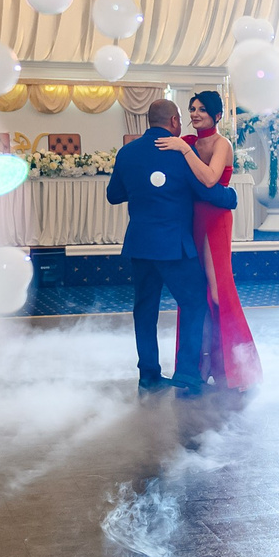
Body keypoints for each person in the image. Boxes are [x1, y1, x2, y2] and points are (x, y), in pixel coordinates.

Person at [106, 98, 238, 394]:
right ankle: (188, 374)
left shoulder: (127, 153)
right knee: (193, 303)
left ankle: (149, 375)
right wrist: (232, 199)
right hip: (174, 247)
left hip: (140, 245)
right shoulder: (181, 153)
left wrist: (143, 189)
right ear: (174, 122)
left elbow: (114, 195)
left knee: (144, 310)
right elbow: (209, 192)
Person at [160, 92, 260, 389]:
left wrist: (183, 149)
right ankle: (199, 365)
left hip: (215, 221)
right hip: (191, 220)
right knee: (196, 295)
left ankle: (235, 366)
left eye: (202, 109)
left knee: (218, 293)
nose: (195, 113)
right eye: (192, 109)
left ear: (217, 115)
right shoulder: (188, 143)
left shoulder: (221, 144)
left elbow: (209, 179)